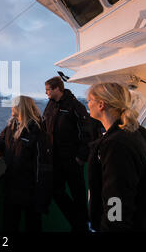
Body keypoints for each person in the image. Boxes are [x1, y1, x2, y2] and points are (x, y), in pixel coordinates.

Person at [86, 82, 146, 231]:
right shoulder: (137, 133)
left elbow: (116, 198)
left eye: (90, 100)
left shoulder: (116, 145)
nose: (88, 104)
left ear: (101, 104)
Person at [0, 96, 53, 232]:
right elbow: (3, 140)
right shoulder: (12, 125)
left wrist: (41, 195)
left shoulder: (37, 130)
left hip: (30, 188)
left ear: (21, 108)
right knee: (9, 223)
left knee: (33, 225)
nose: (11, 108)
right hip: (12, 184)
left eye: (13, 105)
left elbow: (42, 164)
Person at [43, 76, 94, 232]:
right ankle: (77, 221)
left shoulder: (75, 106)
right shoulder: (50, 106)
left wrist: (81, 156)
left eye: (48, 90)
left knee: (78, 194)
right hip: (55, 159)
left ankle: (84, 224)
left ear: (57, 88)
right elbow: (43, 125)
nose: (46, 94)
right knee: (56, 191)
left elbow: (88, 132)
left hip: (72, 160)